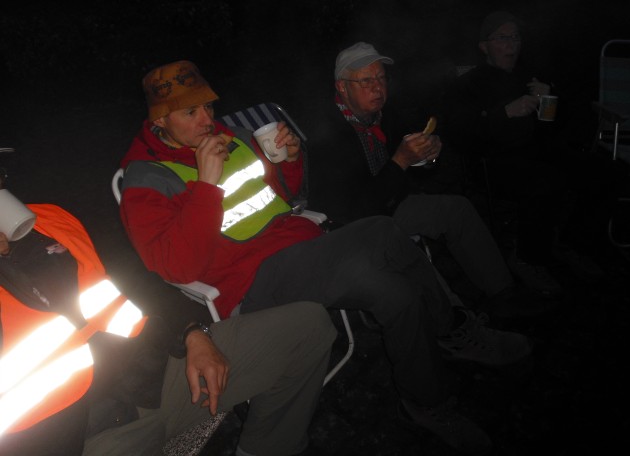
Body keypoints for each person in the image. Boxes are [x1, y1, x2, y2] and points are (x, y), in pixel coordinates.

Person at [118, 59, 538, 454]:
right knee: (381, 231)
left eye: (209, 106)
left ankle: (426, 403)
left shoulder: (233, 137)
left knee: (396, 293)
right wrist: (207, 188)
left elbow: (287, 198)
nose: (207, 119)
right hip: (252, 283)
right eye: (190, 112)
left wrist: (290, 160)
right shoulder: (146, 178)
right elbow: (178, 268)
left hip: (305, 251)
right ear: (160, 121)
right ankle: (455, 329)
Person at [0, 182, 337, 456]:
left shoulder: (51, 220)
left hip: (161, 373)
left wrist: (192, 332)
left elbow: (137, 280)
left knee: (308, 327)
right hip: (83, 438)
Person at [307, 41, 556, 319]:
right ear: (342, 87)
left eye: (381, 78)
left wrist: (427, 157)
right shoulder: (326, 133)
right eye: (366, 80)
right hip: (356, 224)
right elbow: (352, 208)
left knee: (456, 209)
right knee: (403, 248)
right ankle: (454, 323)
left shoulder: (385, 114)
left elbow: (413, 171)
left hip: (391, 203)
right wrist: (401, 161)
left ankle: (504, 293)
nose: (377, 88)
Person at [440, 11, 616, 284]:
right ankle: (527, 258)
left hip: (538, 150)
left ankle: (573, 242)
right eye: (502, 38)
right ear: (484, 47)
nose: (511, 44)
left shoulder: (529, 76)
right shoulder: (469, 84)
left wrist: (551, 100)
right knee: (546, 181)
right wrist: (504, 113)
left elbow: (558, 127)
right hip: (493, 161)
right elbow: (461, 134)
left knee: (602, 170)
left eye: (515, 37)